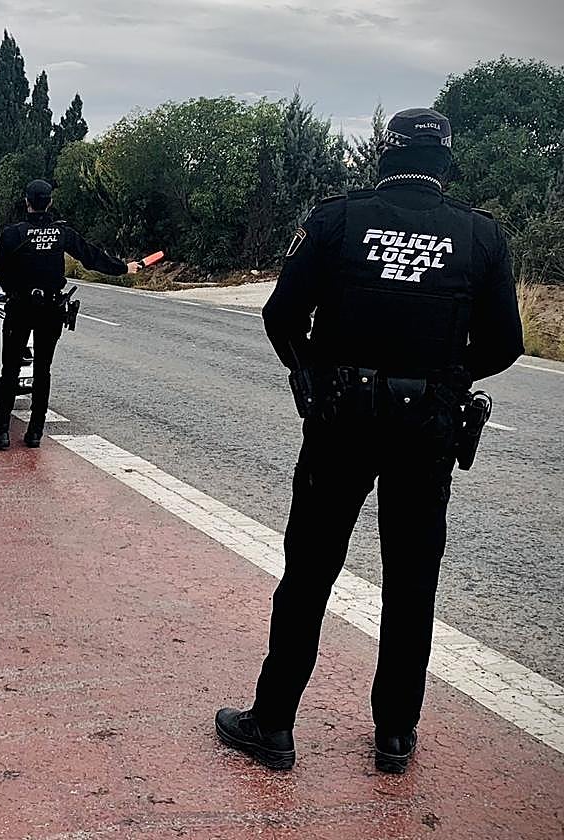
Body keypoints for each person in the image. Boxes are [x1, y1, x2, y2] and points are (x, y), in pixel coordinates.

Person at [215, 108, 524, 774]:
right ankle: (393, 736)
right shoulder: (480, 236)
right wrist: (446, 380)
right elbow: (508, 343)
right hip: (427, 432)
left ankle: (272, 725)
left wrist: (308, 376)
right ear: (446, 164)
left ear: (382, 158)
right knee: (411, 583)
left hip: (340, 424)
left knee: (309, 574)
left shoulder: (335, 220)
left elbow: (281, 316)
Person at [0, 179, 140, 450]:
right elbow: (91, 256)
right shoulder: (62, 233)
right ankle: (35, 432)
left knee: (10, 369)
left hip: (20, 308)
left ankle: (0, 432)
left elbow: (2, 270)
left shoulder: (12, 233)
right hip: (51, 310)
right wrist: (123, 268)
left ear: (27, 202)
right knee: (42, 369)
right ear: (50, 202)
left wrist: (14, 293)